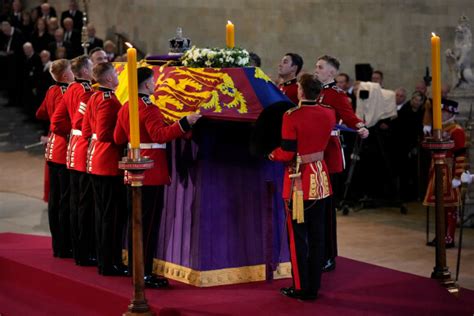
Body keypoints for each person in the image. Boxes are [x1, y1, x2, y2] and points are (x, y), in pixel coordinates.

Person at [114, 67, 202, 288]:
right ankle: (144, 274)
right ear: (145, 84)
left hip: (132, 168)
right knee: (148, 225)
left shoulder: (126, 106)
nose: (155, 85)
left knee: (136, 223)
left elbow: (117, 137)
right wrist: (185, 122)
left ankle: (135, 269)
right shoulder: (149, 108)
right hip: (150, 171)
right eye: (153, 81)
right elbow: (159, 135)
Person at [269, 73, 336, 301]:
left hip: (299, 181)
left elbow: (287, 152)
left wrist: (271, 153)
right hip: (321, 179)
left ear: (301, 91)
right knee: (318, 236)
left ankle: (301, 287)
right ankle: (314, 286)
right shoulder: (328, 112)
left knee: (298, 238)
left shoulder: (292, 116)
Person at [314, 55, 369, 272]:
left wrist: (359, 126)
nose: (316, 70)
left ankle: (328, 255)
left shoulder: (335, 94)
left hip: (328, 154)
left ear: (331, 73)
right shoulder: (314, 90)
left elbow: (348, 115)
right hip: (312, 152)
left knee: (327, 208)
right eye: (316, 66)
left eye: (320, 67)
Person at [82, 62, 127, 276]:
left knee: (103, 214)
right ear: (108, 79)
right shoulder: (109, 101)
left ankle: (104, 260)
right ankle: (110, 263)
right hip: (108, 161)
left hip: (95, 158)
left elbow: (86, 130)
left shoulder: (94, 97)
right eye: (115, 73)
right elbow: (104, 133)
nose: (118, 75)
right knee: (111, 216)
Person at [50, 55, 96, 266]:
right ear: (86, 72)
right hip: (84, 147)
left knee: (74, 202)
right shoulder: (86, 91)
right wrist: (79, 132)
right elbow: (85, 122)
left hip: (72, 146)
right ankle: (85, 251)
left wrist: (71, 134)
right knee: (84, 203)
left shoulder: (69, 89)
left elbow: (57, 120)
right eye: (92, 66)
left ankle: (76, 249)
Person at [35, 58, 74, 258]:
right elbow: (59, 122)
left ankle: (58, 245)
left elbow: (40, 112)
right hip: (63, 148)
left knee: (55, 199)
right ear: (66, 76)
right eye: (72, 71)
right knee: (63, 199)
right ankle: (63, 244)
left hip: (52, 147)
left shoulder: (51, 90)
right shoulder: (64, 92)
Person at [424, 100, 466, 248]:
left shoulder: (457, 130)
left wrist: (457, 176)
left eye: (444, 113)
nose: (441, 115)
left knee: (450, 207)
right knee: (439, 207)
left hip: (450, 171)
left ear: (450, 113)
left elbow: (461, 155)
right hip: (438, 170)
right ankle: (441, 235)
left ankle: (449, 237)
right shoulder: (439, 129)